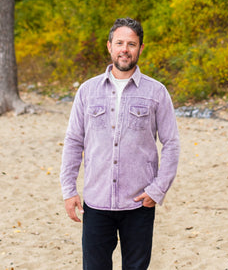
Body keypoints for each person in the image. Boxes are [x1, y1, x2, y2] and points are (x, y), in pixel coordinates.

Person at [60, 17, 180, 270]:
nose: (125, 49)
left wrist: (158, 190)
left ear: (140, 48)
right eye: (120, 43)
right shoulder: (87, 91)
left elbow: (171, 143)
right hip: (96, 203)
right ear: (109, 46)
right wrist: (69, 190)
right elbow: (73, 141)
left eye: (131, 44)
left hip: (139, 203)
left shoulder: (157, 92)